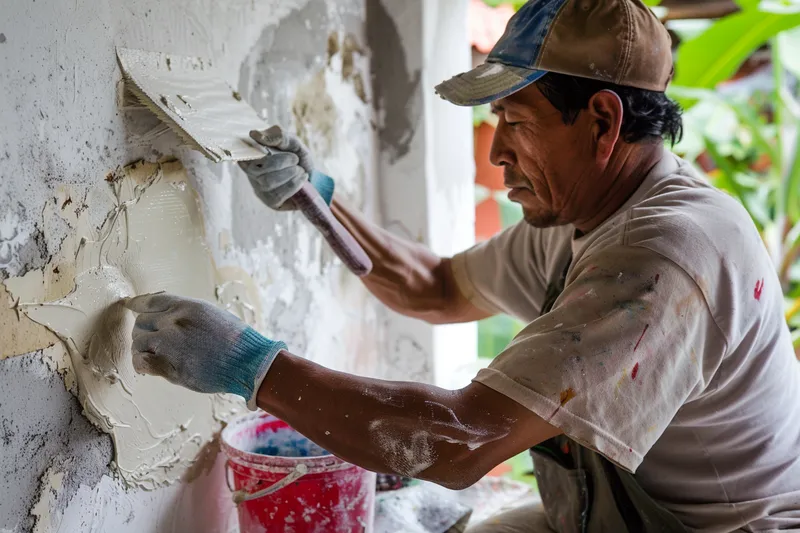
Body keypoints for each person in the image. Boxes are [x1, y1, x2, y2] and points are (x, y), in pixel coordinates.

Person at [123, 0, 800, 530]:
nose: (497, 150)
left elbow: (460, 441)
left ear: (601, 122)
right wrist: (317, 200)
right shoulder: (585, 216)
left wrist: (253, 367)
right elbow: (437, 286)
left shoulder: (663, 257)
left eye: (516, 120)